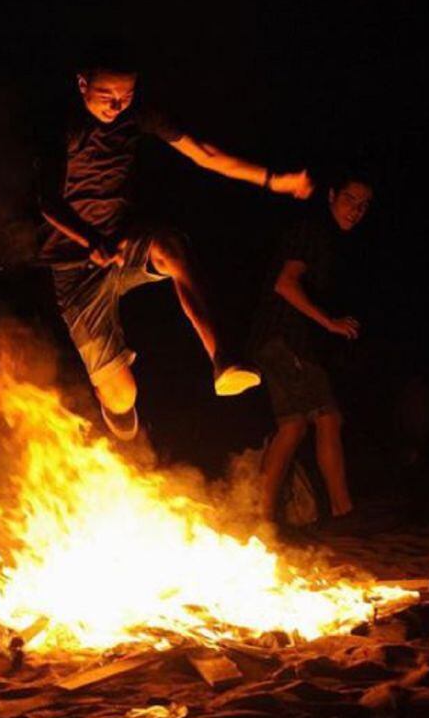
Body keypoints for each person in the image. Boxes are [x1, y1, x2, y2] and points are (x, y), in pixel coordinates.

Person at [38, 60, 313, 439]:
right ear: (82, 83)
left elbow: (207, 154)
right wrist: (89, 240)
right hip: (76, 270)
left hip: (122, 245)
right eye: (107, 96)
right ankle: (112, 402)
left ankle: (223, 360)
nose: (117, 105)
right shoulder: (64, 126)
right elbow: (46, 201)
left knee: (170, 245)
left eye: (126, 95)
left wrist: (272, 180)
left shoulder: (138, 117)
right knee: (123, 396)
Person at [248, 170, 374, 525]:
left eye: (364, 205)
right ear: (332, 195)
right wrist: (330, 323)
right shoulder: (312, 231)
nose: (356, 210)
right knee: (327, 417)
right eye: (351, 199)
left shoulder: (330, 240)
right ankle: (341, 510)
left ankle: (264, 515)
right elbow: (285, 284)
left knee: (294, 426)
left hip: (285, 341)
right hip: (284, 338)